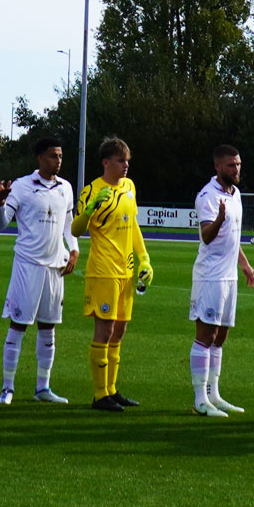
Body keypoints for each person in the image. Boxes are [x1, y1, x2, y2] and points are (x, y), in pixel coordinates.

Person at [0, 137, 78, 405]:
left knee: (48, 328)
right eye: (54, 156)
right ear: (40, 158)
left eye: (61, 155)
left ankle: (43, 387)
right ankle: (7, 388)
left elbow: (68, 224)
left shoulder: (65, 187)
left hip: (55, 267)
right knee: (18, 325)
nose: (59, 160)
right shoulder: (21, 186)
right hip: (27, 265)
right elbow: (1, 224)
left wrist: (74, 249)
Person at [74, 137, 152, 412]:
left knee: (119, 331)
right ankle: (99, 395)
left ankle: (112, 390)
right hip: (103, 272)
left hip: (126, 272)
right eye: (121, 160)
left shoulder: (129, 187)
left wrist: (144, 259)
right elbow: (75, 229)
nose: (126, 165)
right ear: (106, 162)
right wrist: (92, 207)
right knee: (104, 331)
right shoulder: (92, 190)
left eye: (128, 160)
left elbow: (134, 226)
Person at [189, 145, 254, 417]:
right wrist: (218, 219)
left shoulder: (236, 194)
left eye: (238, 164)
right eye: (231, 165)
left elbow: (234, 236)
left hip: (229, 277)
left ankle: (214, 394)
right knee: (205, 336)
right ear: (217, 166)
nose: (236, 169)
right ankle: (199, 399)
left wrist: (245, 265)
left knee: (221, 337)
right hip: (211, 276)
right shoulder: (207, 196)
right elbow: (207, 236)